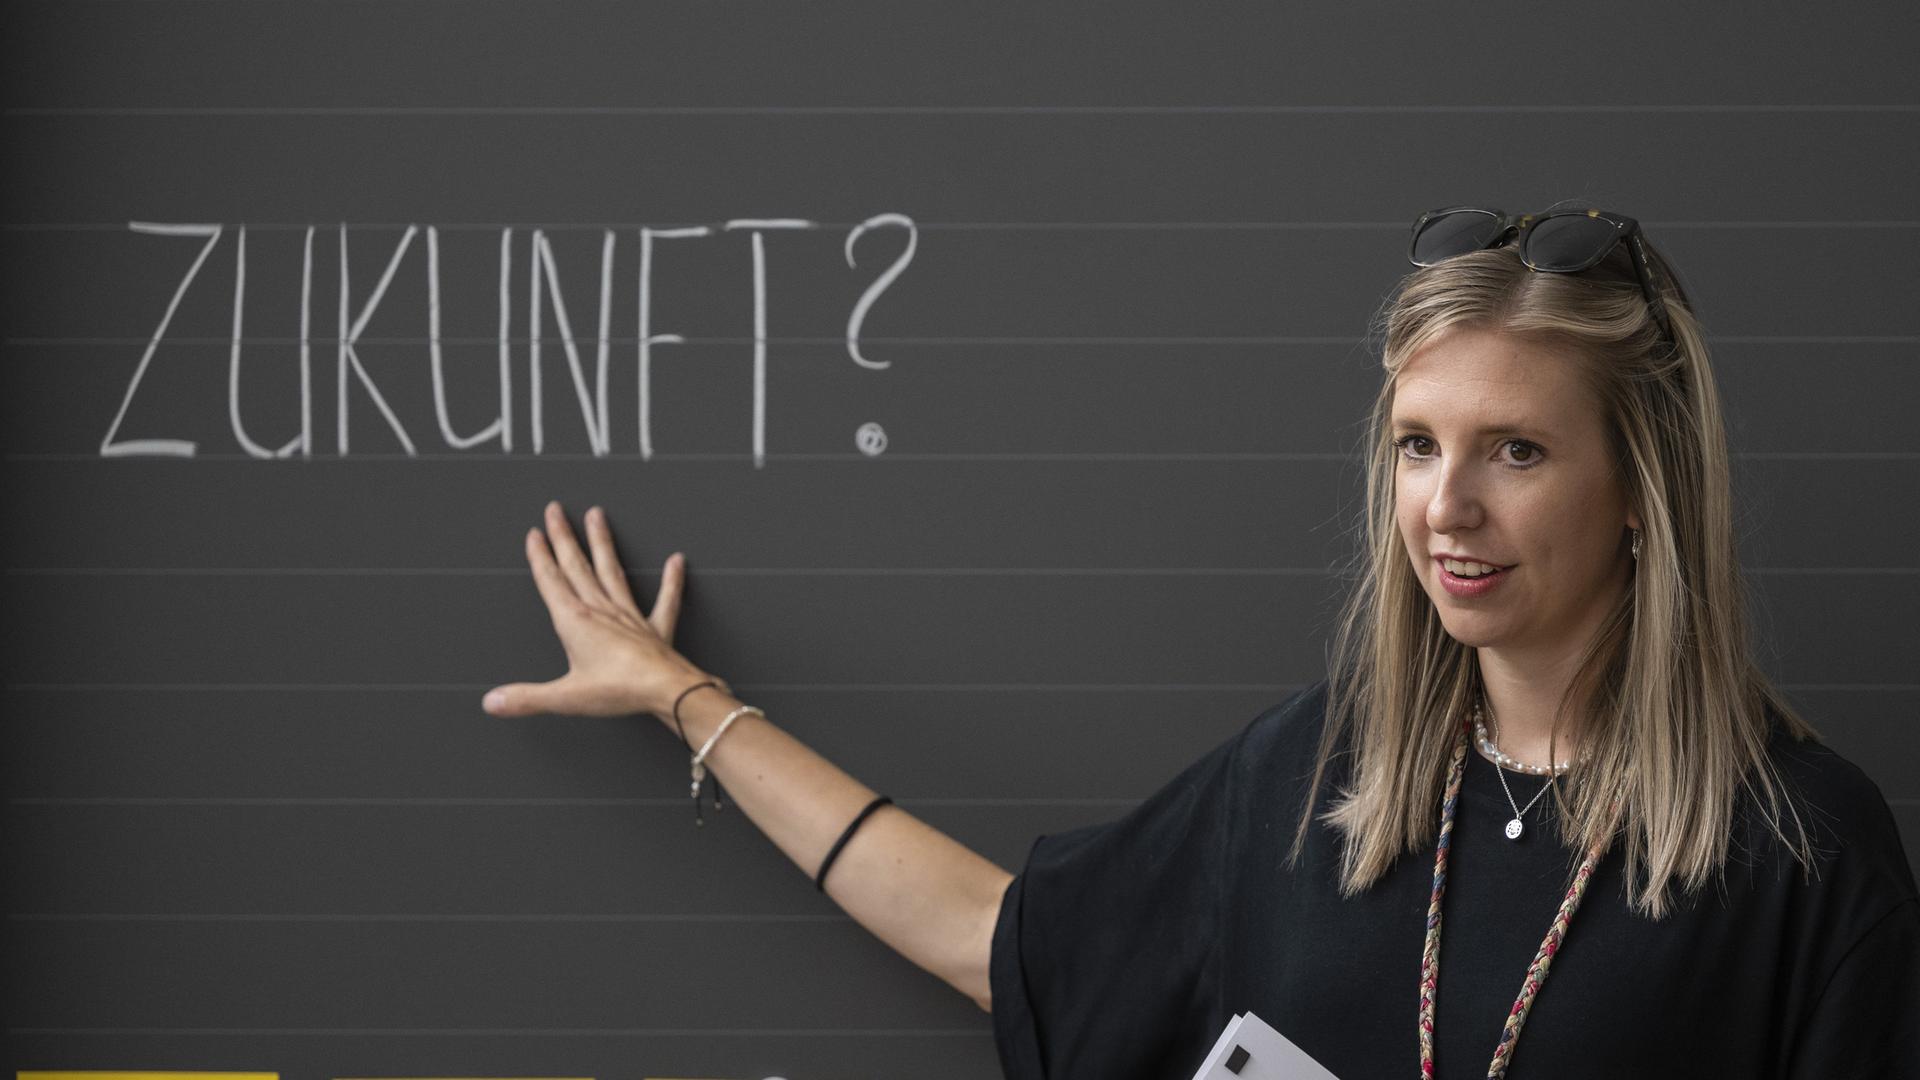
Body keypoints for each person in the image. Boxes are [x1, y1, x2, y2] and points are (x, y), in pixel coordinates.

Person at [480, 204, 1920, 1078]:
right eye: (1417, 446)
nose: (1447, 509)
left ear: (1640, 493)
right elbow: (1003, 942)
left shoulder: (1808, 854)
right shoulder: (1319, 775)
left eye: (1519, 450)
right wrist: (685, 699)